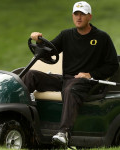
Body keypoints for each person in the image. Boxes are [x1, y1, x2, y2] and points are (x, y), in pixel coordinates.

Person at [22, 1, 119, 146]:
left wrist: (90, 74)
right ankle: (17, 115)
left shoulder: (101, 37)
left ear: (90, 17)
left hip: (87, 82)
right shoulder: (66, 35)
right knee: (31, 75)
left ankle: (64, 132)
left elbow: (112, 65)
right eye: (76, 14)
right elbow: (49, 52)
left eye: (82, 14)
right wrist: (40, 42)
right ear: (73, 16)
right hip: (66, 79)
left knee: (71, 88)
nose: (79, 17)